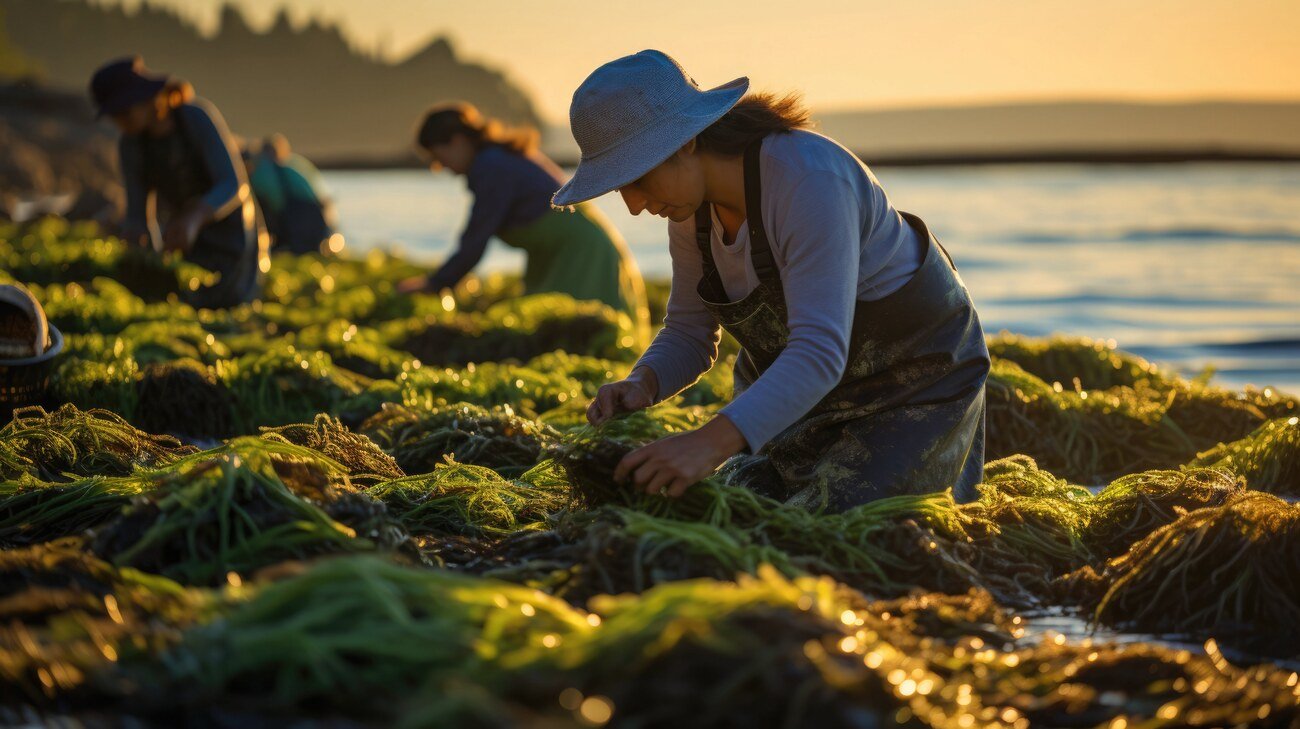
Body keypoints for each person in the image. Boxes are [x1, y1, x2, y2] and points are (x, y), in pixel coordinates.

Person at [565, 51, 990, 512]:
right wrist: (643, 383)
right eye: (619, 187)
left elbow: (819, 351)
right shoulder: (690, 215)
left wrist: (708, 443)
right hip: (802, 398)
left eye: (637, 178)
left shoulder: (808, 178)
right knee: (736, 514)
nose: (632, 205)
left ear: (685, 142)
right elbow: (689, 333)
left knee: (847, 528)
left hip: (916, 385)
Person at [397, 102, 649, 344]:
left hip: (579, 252)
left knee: (585, 332)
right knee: (552, 330)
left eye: (440, 158)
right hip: (558, 253)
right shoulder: (494, 160)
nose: (442, 168)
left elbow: (475, 239)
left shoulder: (492, 166)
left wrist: (434, 284)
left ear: (458, 141)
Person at [90, 56, 265, 309]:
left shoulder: (195, 118)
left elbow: (234, 185)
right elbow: (139, 215)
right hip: (189, 239)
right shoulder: (131, 146)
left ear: (147, 99)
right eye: (114, 116)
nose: (121, 122)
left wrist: (195, 218)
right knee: (194, 303)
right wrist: (136, 239)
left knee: (236, 303)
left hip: (233, 231)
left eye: (124, 112)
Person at [246, 133, 341, 255]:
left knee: (299, 250)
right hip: (317, 216)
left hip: (301, 219)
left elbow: (275, 202)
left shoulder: (264, 169)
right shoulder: (296, 163)